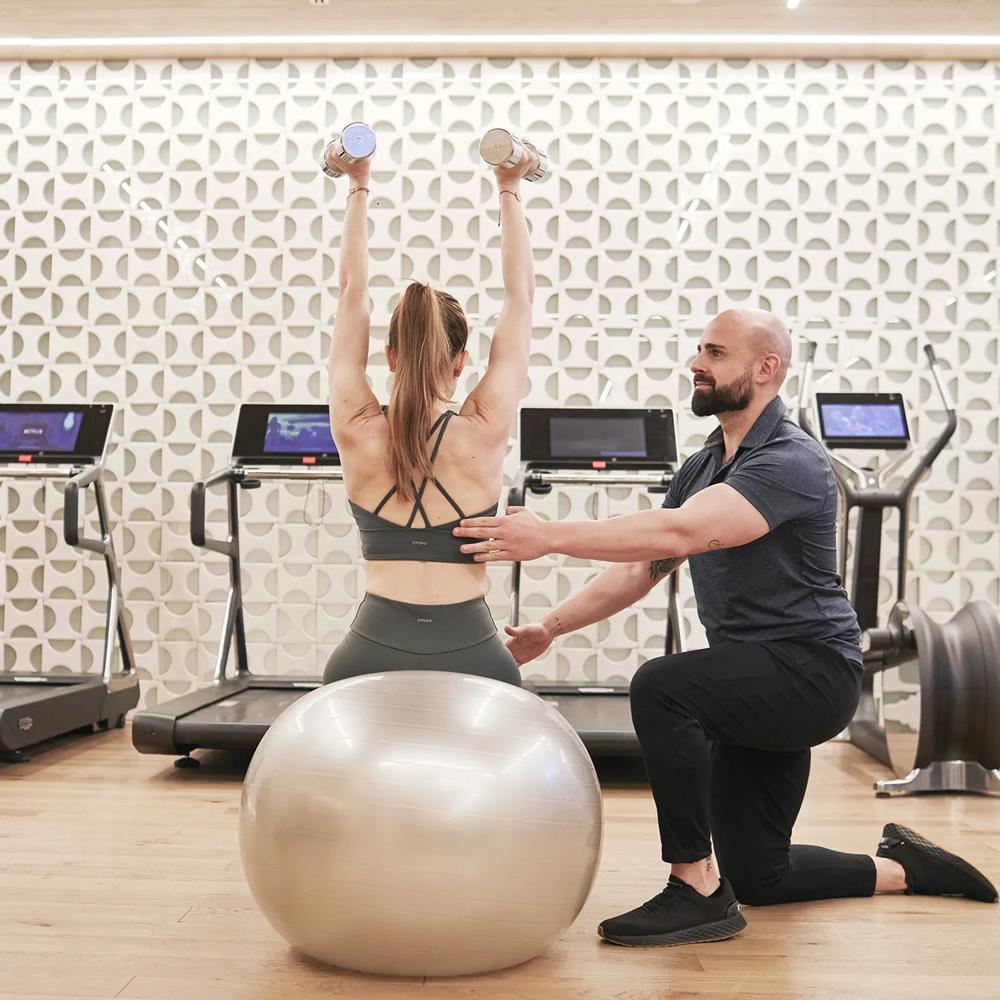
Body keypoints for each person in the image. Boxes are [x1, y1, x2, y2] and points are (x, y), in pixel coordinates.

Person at [453, 308, 998, 946]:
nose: (696, 364)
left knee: (663, 685)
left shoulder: (790, 461)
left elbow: (681, 531)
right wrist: (551, 626)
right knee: (760, 874)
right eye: (699, 351)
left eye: (714, 353)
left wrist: (547, 537)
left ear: (765, 370)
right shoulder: (704, 465)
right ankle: (905, 867)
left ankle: (695, 889)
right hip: (756, 677)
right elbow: (647, 566)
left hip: (811, 672)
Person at [322, 138, 539, 687]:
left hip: (367, 655)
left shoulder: (356, 426)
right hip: (475, 655)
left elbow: (353, 293)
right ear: (463, 359)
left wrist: (358, 183)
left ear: (388, 354)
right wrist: (509, 187)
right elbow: (520, 300)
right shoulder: (484, 429)